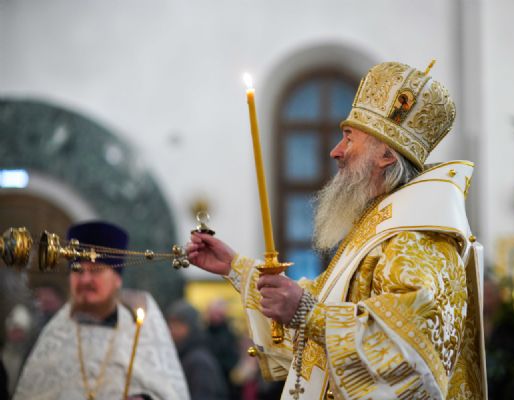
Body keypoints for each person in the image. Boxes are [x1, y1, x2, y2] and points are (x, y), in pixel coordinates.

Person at [188, 61, 487, 399]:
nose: (336, 151)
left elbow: (408, 348)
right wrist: (235, 267)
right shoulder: (381, 226)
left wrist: (308, 313)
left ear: (385, 155)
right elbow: (319, 303)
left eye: (348, 138)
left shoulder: (418, 238)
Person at [14, 221, 189, 400]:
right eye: (78, 270)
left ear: (117, 279)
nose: (85, 280)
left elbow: (170, 393)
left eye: (95, 270)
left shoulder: (141, 333)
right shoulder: (53, 336)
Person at [167, 300, 229, 400]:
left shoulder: (199, 361)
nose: (173, 330)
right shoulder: (182, 355)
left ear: (192, 327)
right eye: (171, 324)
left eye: (178, 324)